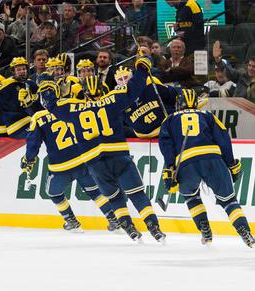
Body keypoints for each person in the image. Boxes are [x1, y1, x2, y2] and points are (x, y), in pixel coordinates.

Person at [39, 56, 167, 243]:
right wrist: (142, 66)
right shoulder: (112, 100)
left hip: (96, 163)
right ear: (102, 89)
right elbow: (134, 89)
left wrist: (47, 86)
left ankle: (129, 228)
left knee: (115, 198)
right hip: (119, 157)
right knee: (137, 193)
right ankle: (154, 228)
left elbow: (50, 104)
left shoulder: (74, 109)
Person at [22, 72, 121, 232]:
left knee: (54, 193)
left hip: (60, 166)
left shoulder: (39, 117)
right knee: (95, 192)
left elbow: (33, 144)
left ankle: (71, 221)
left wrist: (28, 159)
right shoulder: (71, 108)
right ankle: (113, 219)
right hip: (82, 161)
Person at [159, 89, 254, 247]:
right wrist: (231, 163)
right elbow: (223, 139)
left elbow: (166, 147)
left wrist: (170, 169)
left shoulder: (169, 120)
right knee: (229, 201)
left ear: (179, 104)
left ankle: (205, 231)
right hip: (212, 159)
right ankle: (245, 233)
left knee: (191, 197)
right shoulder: (208, 116)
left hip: (186, 163)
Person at [114, 66, 180, 138]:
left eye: (126, 77)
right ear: (117, 82)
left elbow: (171, 96)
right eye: (120, 79)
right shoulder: (118, 98)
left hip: (164, 127)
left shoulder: (149, 82)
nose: (124, 82)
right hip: (143, 135)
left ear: (132, 76)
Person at [0, 57, 42, 139]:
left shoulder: (31, 84)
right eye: (18, 70)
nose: (22, 71)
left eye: (24, 69)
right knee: (36, 136)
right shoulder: (5, 85)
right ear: (13, 71)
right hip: (16, 126)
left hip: (31, 122)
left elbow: (39, 105)